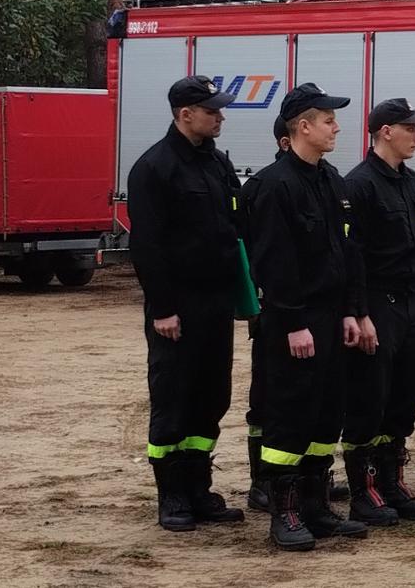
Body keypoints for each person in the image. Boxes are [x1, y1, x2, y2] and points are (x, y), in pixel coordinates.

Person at [244, 82, 368, 551]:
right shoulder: (274, 186)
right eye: (328, 119)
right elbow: (274, 263)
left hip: (333, 316)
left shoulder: (331, 180)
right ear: (303, 126)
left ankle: (317, 507)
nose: (336, 127)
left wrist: (353, 311)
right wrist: (294, 322)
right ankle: (285, 512)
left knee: (325, 414)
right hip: (293, 321)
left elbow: (349, 251)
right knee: (290, 416)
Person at [128, 75, 247, 533]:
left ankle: (199, 489)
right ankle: (172, 495)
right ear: (185, 115)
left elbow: (234, 228)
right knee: (174, 399)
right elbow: (148, 247)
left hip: (216, 302)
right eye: (212, 109)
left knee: (210, 398)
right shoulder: (154, 168)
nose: (220, 116)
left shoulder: (216, 163)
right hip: (177, 307)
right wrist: (162, 309)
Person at [340, 99, 415, 527]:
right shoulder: (359, 185)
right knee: (368, 398)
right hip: (379, 302)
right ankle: (363, 492)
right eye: (409, 129)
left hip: (413, 302)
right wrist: (359, 313)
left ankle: (392, 481)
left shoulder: (413, 184)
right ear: (384, 132)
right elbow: (352, 256)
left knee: (403, 398)